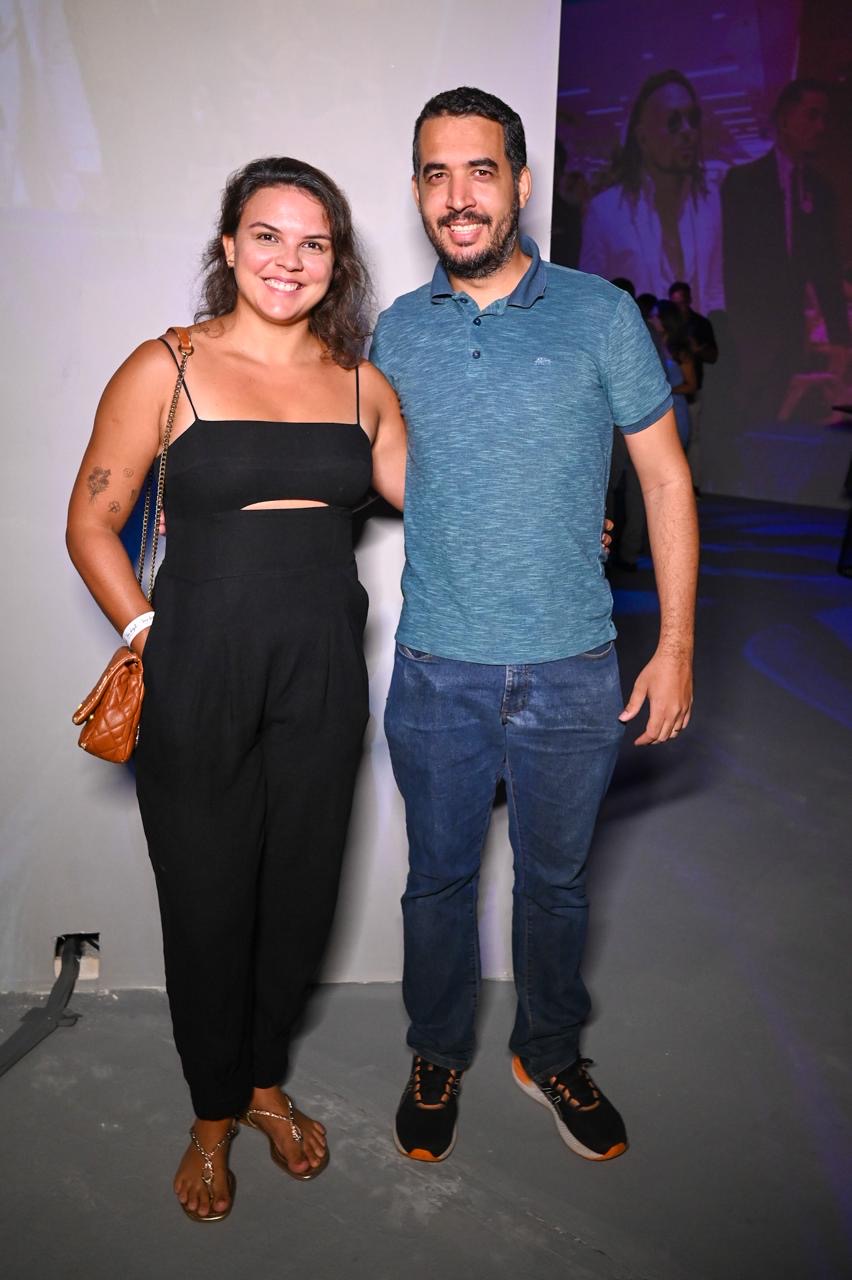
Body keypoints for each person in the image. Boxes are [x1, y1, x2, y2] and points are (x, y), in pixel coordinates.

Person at [66, 157, 406, 1221]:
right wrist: (151, 635)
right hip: (199, 665)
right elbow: (91, 521)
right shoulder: (164, 366)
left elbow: (438, 502)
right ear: (229, 245)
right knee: (208, 897)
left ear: (336, 261)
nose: (288, 260)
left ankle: (263, 1083)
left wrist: (559, 522)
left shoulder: (363, 383)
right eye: (267, 235)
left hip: (323, 668)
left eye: (314, 243)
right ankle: (211, 1114)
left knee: (299, 890)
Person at [370, 87, 697, 1165]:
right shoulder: (397, 329)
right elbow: (391, 468)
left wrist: (677, 646)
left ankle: (549, 1048)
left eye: (480, 170)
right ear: (418, 188)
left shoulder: (599, 313)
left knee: (555, 884)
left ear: (519, 180)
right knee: (437, 881)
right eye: (437, 173)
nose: (458, 196)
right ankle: (436, 1050)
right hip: (437, 667)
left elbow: (664, 478)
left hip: (573, 668)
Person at [722, 78, 849, 425]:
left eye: (824, 118)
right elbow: (730, 267)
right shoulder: (743, 183)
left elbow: (827, 272)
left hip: (792, 336)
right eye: (812, 115)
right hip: (749, 335)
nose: (821, 127)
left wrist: (841, 339)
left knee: (783, 426)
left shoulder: (820, 191)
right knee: (749, 422)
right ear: (784, 119)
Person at [579, 69, 723, 316]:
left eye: (693, 119)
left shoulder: (709, 203)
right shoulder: (605, 212)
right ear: (642, 136)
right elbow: (588, 303)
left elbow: (715, 292)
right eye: (673, 122)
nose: (688, 131)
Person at [668, 280, 717, 491]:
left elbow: (713, 355)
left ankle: (692, 486)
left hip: (689, 393)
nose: (680, 307)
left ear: (689, 300)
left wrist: (696, 350)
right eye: (675, 303)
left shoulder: (700, 324)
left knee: (692, 439)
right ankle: (676, 486)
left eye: (682, 302)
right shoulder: (668, 326)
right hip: (670, 397)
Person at [648, 298, 698, 448]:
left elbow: (691, 386)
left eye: (655, 316)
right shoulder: (653, 346)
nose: (651, 319)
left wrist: (665, 390)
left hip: (676, 411)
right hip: (657, 413)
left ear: (665, 319)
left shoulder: (679, 350)